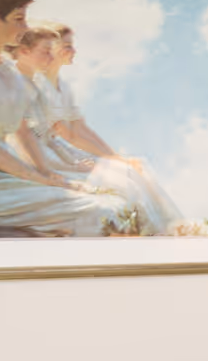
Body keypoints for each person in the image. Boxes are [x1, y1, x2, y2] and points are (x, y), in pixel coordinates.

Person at [0, 0, 127, 236]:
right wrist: (42, 180)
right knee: (101, 212)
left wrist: (49, 173)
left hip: (8, 170)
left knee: (114, 203)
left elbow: (23, 131)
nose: (25, 26)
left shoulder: (9, 73)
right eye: (19, 18)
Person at [10, 24, 185, 235]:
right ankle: (155, 233)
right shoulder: (34, 83)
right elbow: (65, 134)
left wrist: (113, 156)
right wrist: (104, 160)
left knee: (134, 168)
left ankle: (169, 230)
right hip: (47, 155)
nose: (72, 51)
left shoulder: (60, 86)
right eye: (66, 46)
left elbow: (78, 127)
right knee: (122, 179)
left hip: (57, 151)